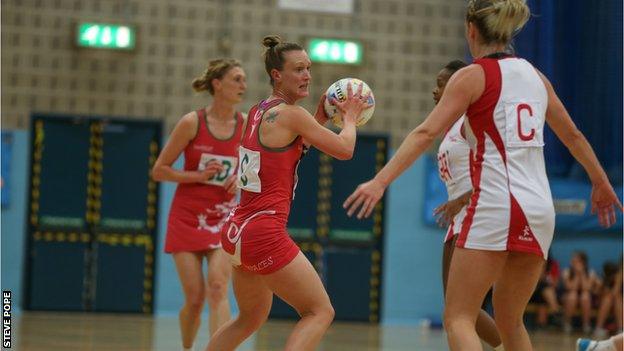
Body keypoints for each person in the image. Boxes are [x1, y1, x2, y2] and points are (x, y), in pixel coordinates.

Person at [343, 0, 622, 350]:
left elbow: (424, 133)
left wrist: (379, 181)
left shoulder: (473, 75)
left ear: (471, 29)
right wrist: (599, 181)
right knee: (510, 321)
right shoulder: (536, 76)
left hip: (496, 204)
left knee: (458, 316)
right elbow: (574, 136)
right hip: (539, 210)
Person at [206, 35, 371, 351]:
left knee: (249, 319)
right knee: (319, 311)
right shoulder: (293, 115)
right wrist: (350, 118)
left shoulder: (258, 111)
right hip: (262, 232)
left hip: (236, 232)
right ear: (277, 75)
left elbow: (289, 149)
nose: (307, 75)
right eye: (298, 69)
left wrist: (320, 117)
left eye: (308, 68)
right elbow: (344, 148)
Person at [152, 59, 247, 351]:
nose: (243, 86)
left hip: (224, 217)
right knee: (194, 300)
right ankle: (187, 346)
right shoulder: (192, 122)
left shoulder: (245, 125)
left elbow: (257, 171)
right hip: (187, 216)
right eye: (236, 79)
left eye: (244, 80)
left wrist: (240, 179)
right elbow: (159, 170)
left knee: (218, 288)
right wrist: (197, 175)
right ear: (217, 84)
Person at [433, 59, 503, 350]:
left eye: (440, 84)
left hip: (475, 217)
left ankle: (507, 345)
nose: (434, 91)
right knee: (459, 312)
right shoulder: (452, 127)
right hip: (460, 220)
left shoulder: (470, 123)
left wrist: (460, 200)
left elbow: (495, 170)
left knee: (459, 312)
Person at [562, 251, 601, 334]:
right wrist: (576, 274)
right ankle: (567, 323)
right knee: (573, 295)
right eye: (573, 261)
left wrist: (582, 273)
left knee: (585, 296)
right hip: (569, 296)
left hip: (586, 297)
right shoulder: (567, 271)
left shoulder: (590, 272)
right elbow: (569, 287)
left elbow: (587, 288)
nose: (573, 262)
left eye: (576, 261)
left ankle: (586, 325)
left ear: (583, 262)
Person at [593, 259, 623, 338]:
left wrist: (618, 282)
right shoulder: (604, 278)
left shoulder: (619, 277)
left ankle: (621, 328)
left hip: (618, 301)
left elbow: (615, 293)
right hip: (608, 302)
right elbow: (597, 292)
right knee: (609, 298)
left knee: (617, 298)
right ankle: (598, 328)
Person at [529, 255, 561, 328]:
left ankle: (541, 324)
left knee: (543, 298)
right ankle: (556, 312)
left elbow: (555, 283)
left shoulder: (553, 264)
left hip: (543, 293)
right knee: (544, 287)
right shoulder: (532, 262)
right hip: (531, 291)